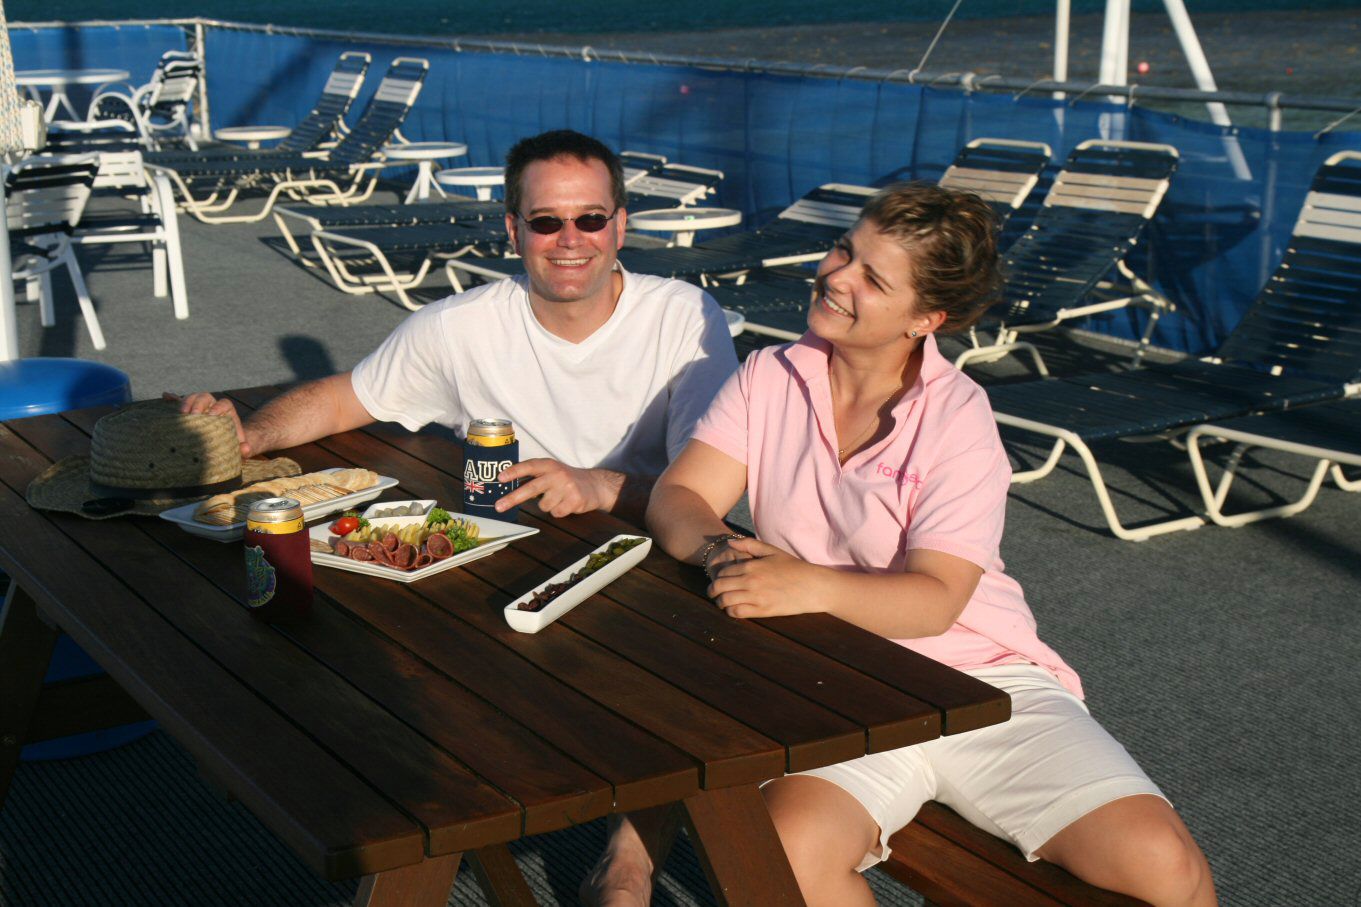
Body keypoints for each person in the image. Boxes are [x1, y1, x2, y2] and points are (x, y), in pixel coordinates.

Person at [586, 183, 1216, 906]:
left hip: (982, 681)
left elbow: (935, 602)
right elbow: (680, 497)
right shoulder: (769, 375)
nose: (836, 276)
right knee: (785, 861)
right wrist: (726, 556)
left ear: (925, 319)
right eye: (843, 250)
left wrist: (807, 584)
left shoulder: (958, 417)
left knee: (1166, 866)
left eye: (873, 278)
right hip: (836, 679)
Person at [178, 130, 737, 522]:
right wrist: (254, 436)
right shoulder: (456, 326)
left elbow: (710, 492)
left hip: (647, 543)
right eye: (546, 221)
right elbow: (344, 399)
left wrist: (598, 486)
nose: (570, 239)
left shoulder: (683, 318)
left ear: (619, 226)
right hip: (509, 539)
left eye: (591, 218)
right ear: (514, 232)